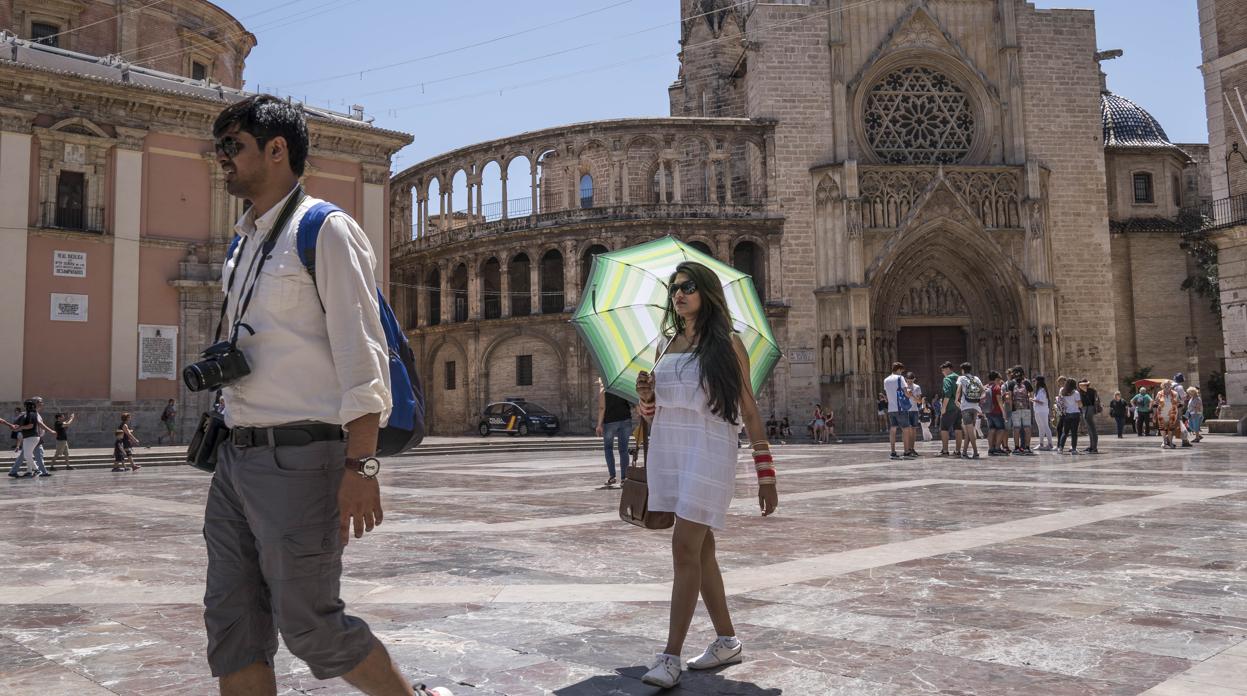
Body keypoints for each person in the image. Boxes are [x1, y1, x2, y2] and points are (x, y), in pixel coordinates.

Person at [203, 96, 453, 696]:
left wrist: (360, 465)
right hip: (235, 457)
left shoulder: (326, 231)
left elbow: (363, 358)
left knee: (311, 625)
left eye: (232, 147)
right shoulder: (241, 246)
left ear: (276, 149)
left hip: (301, 457)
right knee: (232, 624)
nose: (222, 162)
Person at [634, 261, 778, 689]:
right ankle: (727, 641)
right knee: (703, 552)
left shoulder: (727, 344)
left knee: (684, 548)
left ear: (707, 293)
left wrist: (765, 472)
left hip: (709, 452)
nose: (679, 295)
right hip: (669, 451)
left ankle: (670, 656)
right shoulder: (666, 344)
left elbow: (748, 409)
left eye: (688, 287)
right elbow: (654, 414)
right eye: (674, 289)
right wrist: (646, 398)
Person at [596, 378, 633, 487]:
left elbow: (602, 408)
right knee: (623, 450)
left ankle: (612, 477)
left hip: (610, 422)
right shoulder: (623, 386)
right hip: (625, 420)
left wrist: (599, 425)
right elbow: (631, 401)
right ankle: (624, 479)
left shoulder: (604, 389)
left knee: (608, 448)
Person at [8, 398, 53, 478]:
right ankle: (36, 471)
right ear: (35, 404)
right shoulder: (31, 414)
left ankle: (34, 471)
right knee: (29, 455)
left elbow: (32, 425)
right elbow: (37, 424)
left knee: (28, 455)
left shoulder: (31, 414)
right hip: (32, 437)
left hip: (32, 437)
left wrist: (18, 427)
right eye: (40, 402)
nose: (42, 403)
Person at [883, 362, 916, 460]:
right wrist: (910, 393)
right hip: (900, 408)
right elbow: (906, 393)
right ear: (898, 369)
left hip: (891, 408)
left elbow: (888, 393)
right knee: (905, 429)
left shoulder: (886, 380)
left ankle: (893, 452)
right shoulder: (900, 378)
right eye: (901, 370)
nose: (902, 372)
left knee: (893, 429)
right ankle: (906, 451)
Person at [954, 362, 984, 459]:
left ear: (962, 370)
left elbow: (958, 390)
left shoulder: (961, 378)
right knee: (969, 431)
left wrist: (956, 400)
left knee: (970, 432)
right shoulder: (976, 378)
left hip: (965, 407)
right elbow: (983, 390)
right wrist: (979, 399)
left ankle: (975, 452)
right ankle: (964, 452)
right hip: (974, 407)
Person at [1004, 367, 1034, 455]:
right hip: (1026, 408)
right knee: (1027, 428)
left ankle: (1017, 448)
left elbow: (1009, 397)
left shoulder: (1011, 383)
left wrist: (1011, 406)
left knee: (1016, 429)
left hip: (1015, 409)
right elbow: (1031, 395)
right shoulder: (1027, 382)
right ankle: (1027, 447)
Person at [938, 362, 963, 457]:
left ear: (948, 369)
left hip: (949, 407)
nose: (942, 372)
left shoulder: (947, 379)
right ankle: (957, 450)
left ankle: (945, 450)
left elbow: (947, 394)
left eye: (943, 370)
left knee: (944, 428)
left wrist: (943, 408)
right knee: (958, 428)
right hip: (959, 406)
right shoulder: (959, 378)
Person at [984, 371, 1009, 456]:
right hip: (997, 412)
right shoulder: (996, 387)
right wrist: (1004, 412)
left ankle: (991, 449)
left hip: (988, 412)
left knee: (992, 429)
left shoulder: (986, 387)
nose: (999, 381)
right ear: (996, 379)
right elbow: (999, 401)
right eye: (998, 379)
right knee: (1001, 429)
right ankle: (997, 448)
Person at [1056, 379, 1083, 454]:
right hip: (1075, 413)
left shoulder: (1062, 391)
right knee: (1074, 432)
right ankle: (1074, 449)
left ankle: (1060, 448)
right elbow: (1080, 404)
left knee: (1065, 432)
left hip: (1067, 414)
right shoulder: (1076, 393)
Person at [1153, 380, 1182, 449]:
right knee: (1162, 428)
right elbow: (1155, 403)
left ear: (1171, 386)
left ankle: (1170, 442)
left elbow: (1179, 403)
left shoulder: (1175, 393)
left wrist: (1180, 415)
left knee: (1171, 428)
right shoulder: (1159, 393)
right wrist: (1154, 414)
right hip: (1161, 414)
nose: (1167, 386)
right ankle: (1164, 441)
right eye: (1165, 385)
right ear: (1162, 386)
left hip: (1172, 414)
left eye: (1168, 385)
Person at [907, 372, 930, 442]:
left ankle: (912, 448)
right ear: (905, 379)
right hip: (905, 411)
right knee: (907, 429)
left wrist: (912, 395)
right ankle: (907, 448)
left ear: (914, 379)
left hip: (914, 410)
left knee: (913, 429)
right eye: (908, 381)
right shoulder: (903, 387)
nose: (909, 383)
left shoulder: (917, 387)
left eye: (911, 381)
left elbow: (919, 401)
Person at [1078, 380, 1100, 453]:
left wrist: (1085, 383)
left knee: (1092, 429)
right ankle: (1091, 447)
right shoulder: (1083, 391)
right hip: (1086, 409)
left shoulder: (1090, 390)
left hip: (1089, 409)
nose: (1079, 386)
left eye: (1082, 384)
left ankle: (1094, 448)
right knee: (1089, 429)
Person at [1032, 375, 1053, 451]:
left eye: (1035, 381)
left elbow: (1041, 401)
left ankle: (1050, 444)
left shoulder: (1042, 390)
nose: (1035, 383)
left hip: (1042, 411)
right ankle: (1041, 443)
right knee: (1040, 427)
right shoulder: (1038, 391)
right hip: (1037, 411)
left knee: (1046, 426)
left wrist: (1032, 399)